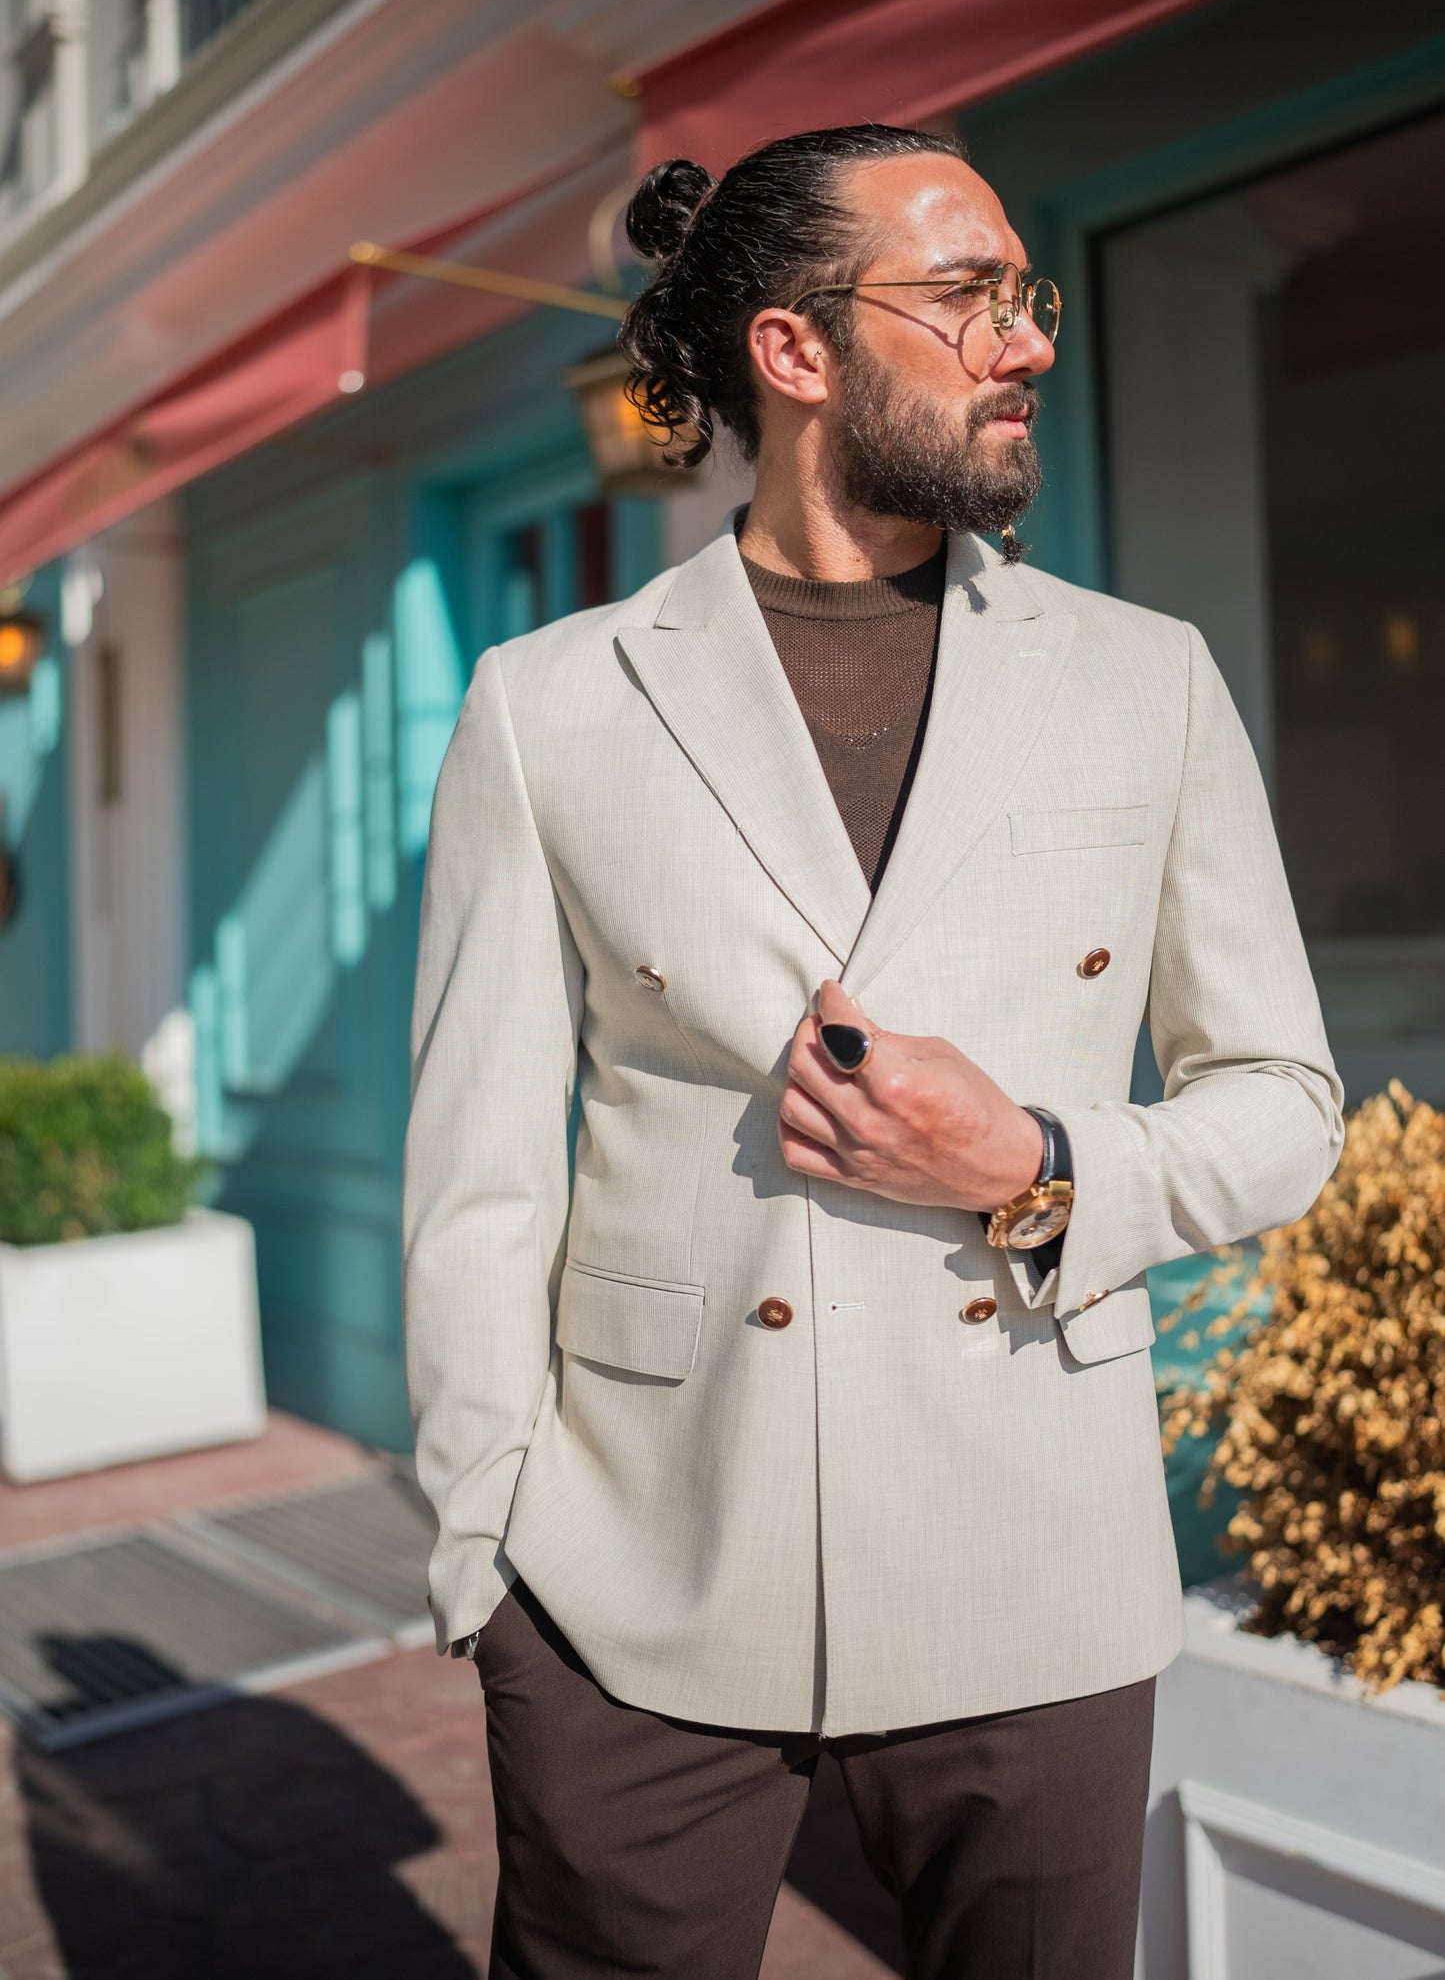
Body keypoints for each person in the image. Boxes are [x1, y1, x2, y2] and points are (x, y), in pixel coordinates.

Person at [403, 123, 1343, 1980]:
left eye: (1028, 293)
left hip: (1032, 1567)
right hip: (631, 1582)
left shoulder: (1143, 678)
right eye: (966, 294)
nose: (1027, 341)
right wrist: (485, 1560)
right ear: (795, 349)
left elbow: (1283, 1110)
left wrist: (1044, 1166)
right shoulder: (549, 704)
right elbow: (481, 1176)